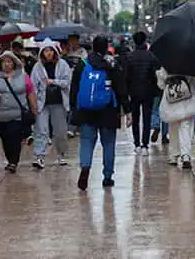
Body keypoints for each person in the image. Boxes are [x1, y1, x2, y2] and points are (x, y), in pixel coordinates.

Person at [70, 35, 130, 190]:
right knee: (108, 144)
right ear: (106, 48)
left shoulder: (82, 64)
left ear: (92, 47)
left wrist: (73, 109)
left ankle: (85, 166)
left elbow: (74, 88)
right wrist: (127, 109)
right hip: (108, 111)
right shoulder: (112, 64)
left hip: (86, 110)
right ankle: (108, 176)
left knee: (86, 141)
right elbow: (121, 88)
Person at [0, 52, 38, 172]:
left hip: (17, 114)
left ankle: (13, 162)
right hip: (0, 115)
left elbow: (31, 92)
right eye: (4, 62)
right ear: (0, 64)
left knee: (15, 138)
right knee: (5, 138)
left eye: (9, 61)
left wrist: (34, 108)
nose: (6, 64)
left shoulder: (24, 76)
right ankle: (10, 159)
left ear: (14, 63)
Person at [30, 40, 72, 168]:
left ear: (55, 51)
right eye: (46, 51)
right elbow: (33, 86)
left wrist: (54, 81)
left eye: (50, 50)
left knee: (60, 131)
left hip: (59, 102)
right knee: (41, 130)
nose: (48, 53)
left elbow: (67, 82)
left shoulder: (63, 64)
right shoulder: (37, 67)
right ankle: (39, 156)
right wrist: (34, 103)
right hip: (42, 103)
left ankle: (61, 154)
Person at [155, 66, 195, 170]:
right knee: (186, 128)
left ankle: (174, 155)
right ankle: (186, 155)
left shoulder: (166, 66)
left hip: (172, 101)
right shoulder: (190, 64)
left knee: (173, 128)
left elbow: (160, 85)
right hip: (188, 101)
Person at [124, 31, 160, 155]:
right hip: (148, 92)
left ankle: (137, 144)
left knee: (135, 119)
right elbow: (156, 74)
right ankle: (145, 145)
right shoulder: (151, 56)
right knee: (146, 118)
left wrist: (127, 92)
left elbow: (126, 77)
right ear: (145, 41)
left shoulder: (129, 57)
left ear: (134, 42)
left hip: (134, 92)